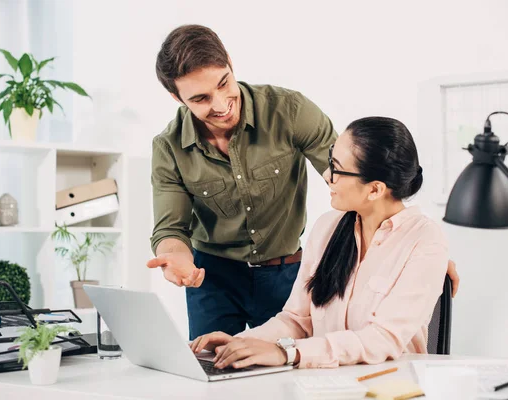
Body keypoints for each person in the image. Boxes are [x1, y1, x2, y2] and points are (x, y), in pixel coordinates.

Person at [146, 24, 459, 340]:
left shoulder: (289, 111)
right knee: (210, 367)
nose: (220, 104)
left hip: (285, 274)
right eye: (200, 98)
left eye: (223, 83)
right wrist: (175, 256)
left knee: (288, 372)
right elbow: (170, 230)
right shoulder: (169, 147)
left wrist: (414, 250)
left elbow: (355, 181)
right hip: (212, 277)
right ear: (176, 97)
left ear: (229, 61)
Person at [190, 117, 449, 369]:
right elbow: (297, 320)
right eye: (329, 161)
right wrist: (240, 343)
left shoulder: (425, 241)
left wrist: (288, 353)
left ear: (375, 190)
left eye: (336, 168)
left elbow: (383, 339)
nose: (327, 175)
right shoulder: (328, 227)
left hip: (387, 387)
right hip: (326, 385)